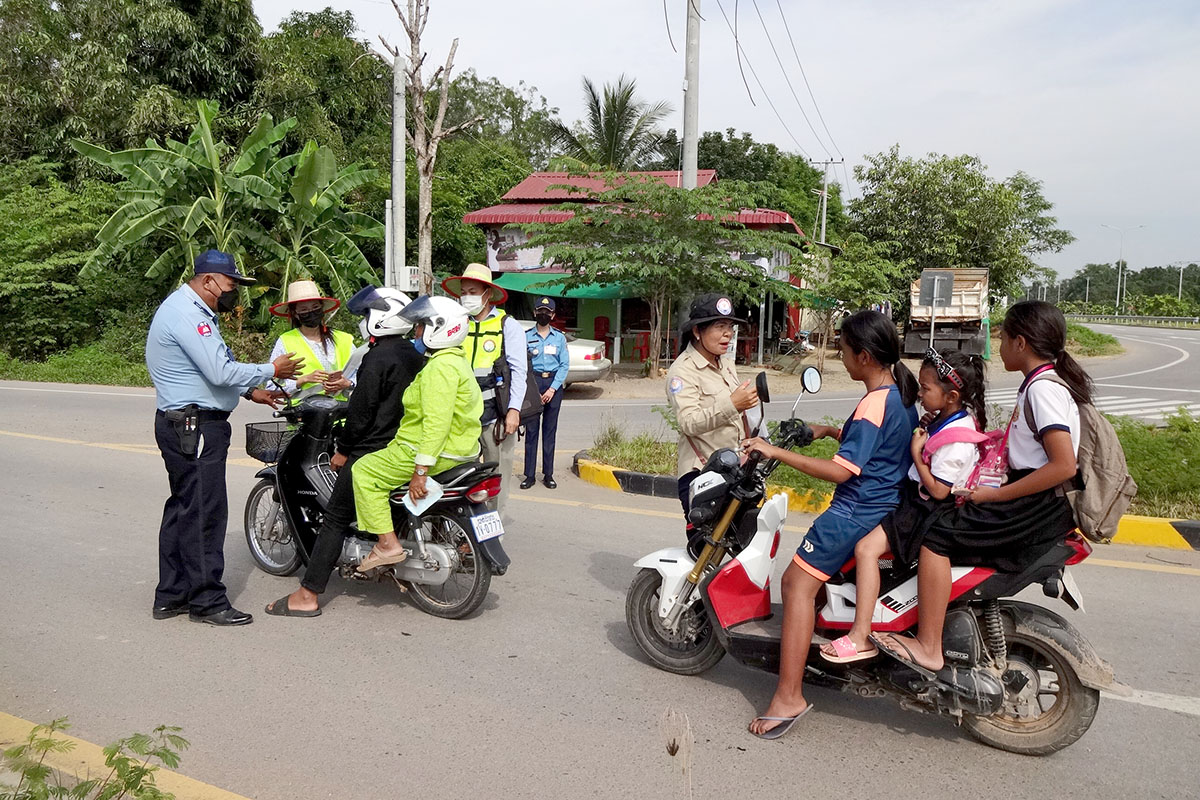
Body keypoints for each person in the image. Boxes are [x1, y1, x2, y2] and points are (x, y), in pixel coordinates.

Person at [873, 301, 1086, 672]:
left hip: (1035, 504)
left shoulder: (1043, 391)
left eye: (1003, 337)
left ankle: (928, 645)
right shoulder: (1039, 384)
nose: (998, 345)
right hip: (1031, 496)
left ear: (1021, 343)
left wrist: (996, 495)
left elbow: (1063, 464)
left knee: (935, 535)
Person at [741, 310, 919, 738]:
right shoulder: (897, 394)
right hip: (883, 506)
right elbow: (878, 444)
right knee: (810, 582)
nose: (839, 353)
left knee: (795, 584)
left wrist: (774, 452)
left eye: (842, 347)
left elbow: (843, 472)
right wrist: (825, 430)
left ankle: (788, 696)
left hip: (853, 511)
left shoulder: (875, 401)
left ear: (863, 355)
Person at [145, 249, 302, 626]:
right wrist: (271, 369)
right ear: (209, 280)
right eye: (231, 284)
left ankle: (172, 594)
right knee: (204, 512)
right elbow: (218, 370)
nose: (235, 291)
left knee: (183, 508)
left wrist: (253, 391)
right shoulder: (187, 314)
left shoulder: (191, 310)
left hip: (185, 421)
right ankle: (207, 601)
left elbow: (202, 371)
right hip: (194, 426)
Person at [820, 348, 987, 664]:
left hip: (925, 507)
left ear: (951, 395)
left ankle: (859, 636)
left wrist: (915, 451)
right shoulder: (947, 417)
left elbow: (938, 490)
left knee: (866, 550)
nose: (920, 394)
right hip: (916, 500)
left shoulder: (958, 437)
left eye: (926, 389)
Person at [265, 286, 423, 617]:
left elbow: (362, 412)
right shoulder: (413, 353)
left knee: (335, 516)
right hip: (399, 441)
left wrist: (343, 450)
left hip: (368, 445)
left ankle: (308, 594)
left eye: (367, 316)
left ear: (380, 319)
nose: (364, 323)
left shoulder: (374, 356)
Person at [350, 296, 484, 571]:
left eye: (422, 326)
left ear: (439, 327)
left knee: (363, 471)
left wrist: (421, 470)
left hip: (428, 450)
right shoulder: (456, 361)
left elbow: (437, 421)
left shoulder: (439, 368)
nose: (417, 332)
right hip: (461, 450)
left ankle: (387, 544)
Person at [665, 294, 759, 530]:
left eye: (730, 327)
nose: (728, 334)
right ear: (698, 331)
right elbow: (688, 421)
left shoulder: (726, 362)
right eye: (719, 327)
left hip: (735, 470)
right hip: (702, 474)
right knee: (704, 553)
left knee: (743, 549)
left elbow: (737, 418)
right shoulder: (683, 371)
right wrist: (733, 404)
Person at [442, 263, 528, 512]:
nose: (467, 297)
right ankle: (464, 528)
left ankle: (492, 532)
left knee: (496, 474)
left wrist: (514, 410)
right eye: (464, 292)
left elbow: (519, 371)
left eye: (472, 291)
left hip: (495, 416)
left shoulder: (506, 325)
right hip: (460, 415)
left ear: (487, 294)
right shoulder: (457, 324)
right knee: (459, 475)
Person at [268, 280, 355, 398]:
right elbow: (272, 387)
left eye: (315, 307)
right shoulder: (286, 341)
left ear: (322, 308)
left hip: (343, 411)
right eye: (304, 310)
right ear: (295, 314)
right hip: (304, 413)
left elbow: (363, 375)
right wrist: (303, 380)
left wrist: (348, 383)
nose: (311, 312)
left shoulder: (344, 339)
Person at [521, 296, 570, 490]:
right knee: (531, 431)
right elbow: (521, 363)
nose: (544, 315)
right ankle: (529, 475)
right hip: (532, 384)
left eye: (547, 312)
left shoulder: (559, 337)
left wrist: (552, 389)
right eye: (540, 311)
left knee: (549, 431)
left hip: (553, 384)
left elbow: (564, 365)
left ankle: (548, 474)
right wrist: (531, 388)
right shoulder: (526, 336)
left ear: (553, 315)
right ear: (535, 313)